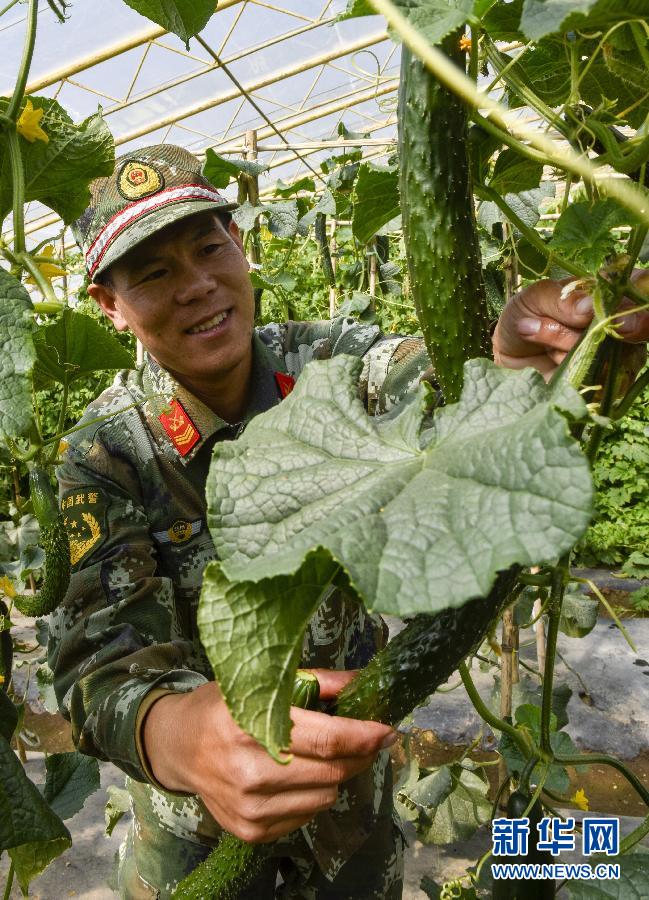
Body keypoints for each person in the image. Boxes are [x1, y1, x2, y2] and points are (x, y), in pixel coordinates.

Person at [48, 144, 649, 899]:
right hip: (198, 832)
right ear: (110, 305)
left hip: (351, 812)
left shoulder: (331, 361)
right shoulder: (102, 452)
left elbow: (431, 381)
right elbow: (92, 668)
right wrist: (179, 733)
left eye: (207, 248)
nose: (197, 286)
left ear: (239, 244)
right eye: (155, 274)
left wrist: (505, 361)